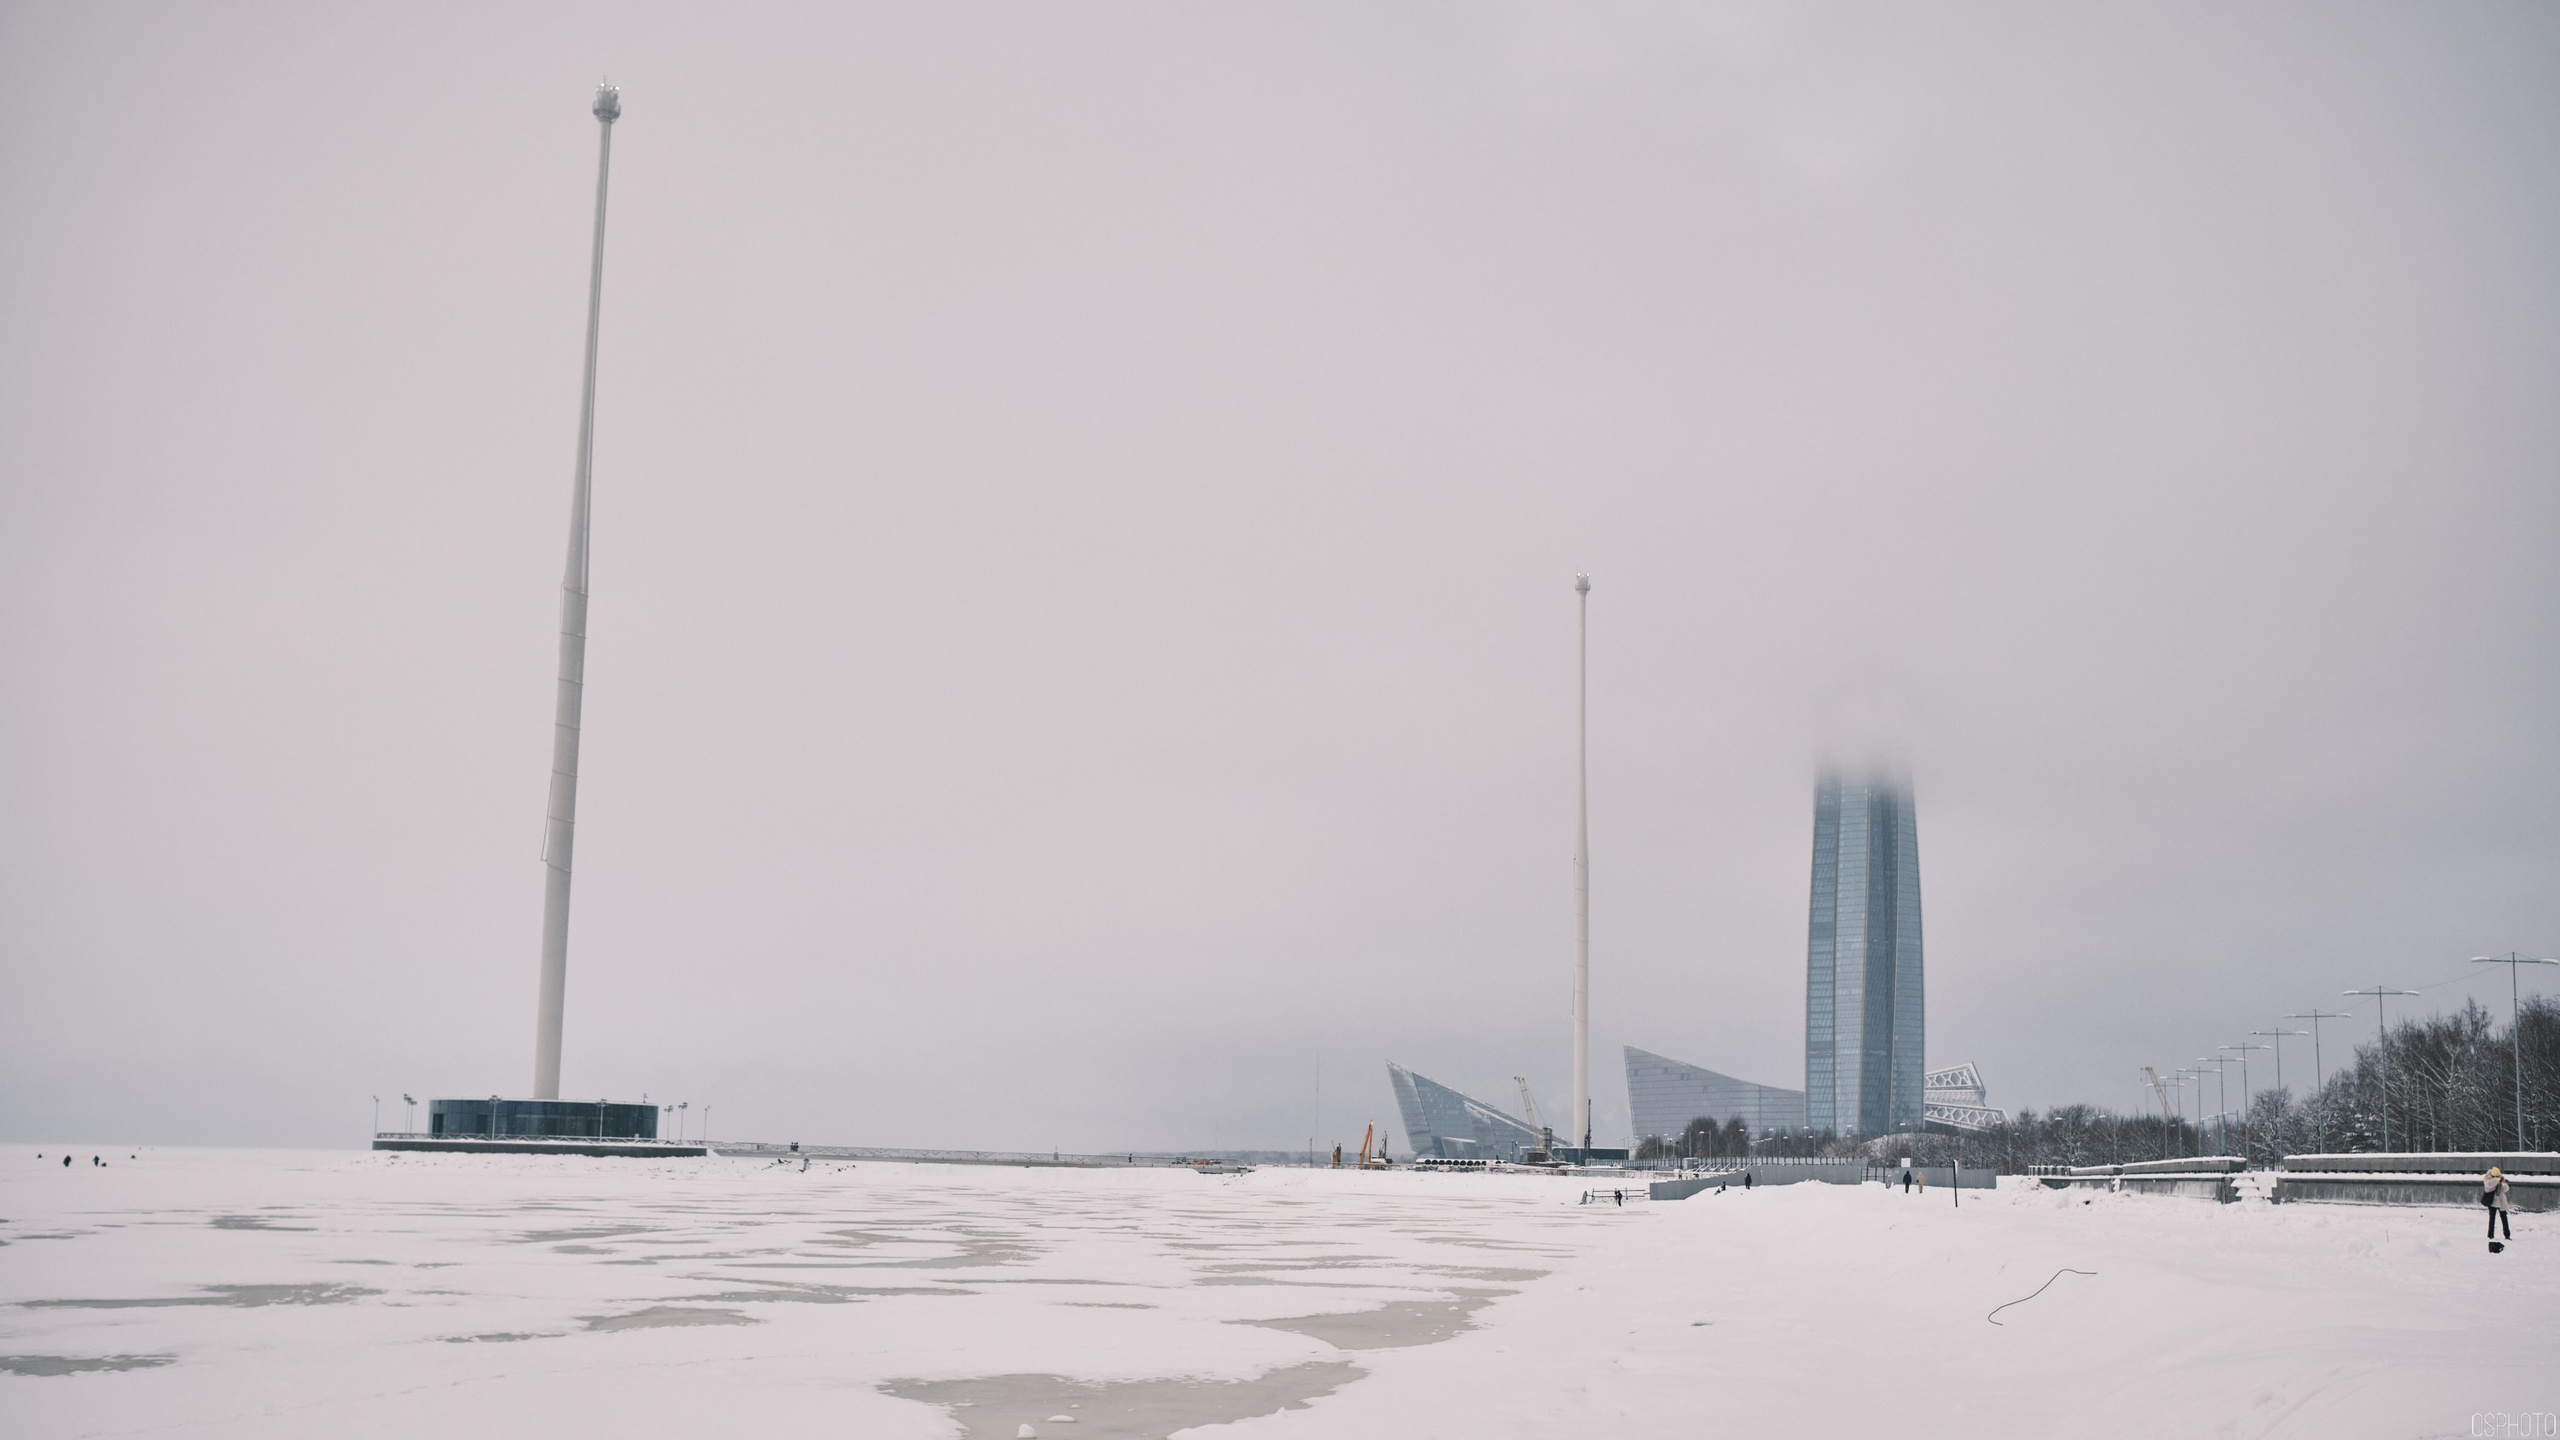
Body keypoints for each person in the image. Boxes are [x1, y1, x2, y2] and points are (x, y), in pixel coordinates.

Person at [2485, 1165, 2513, 1247]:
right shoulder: (2487, 1178)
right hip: (2492, 1201)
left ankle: (2507, 1235)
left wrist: (2504, 1184)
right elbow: (2489, 1186)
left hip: (2501, 1201)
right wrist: (2498, 1180)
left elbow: (2505, 1190)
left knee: (2504, 1218)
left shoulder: (2500, 1178)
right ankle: (2490, 1235)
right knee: (2492, 1219)